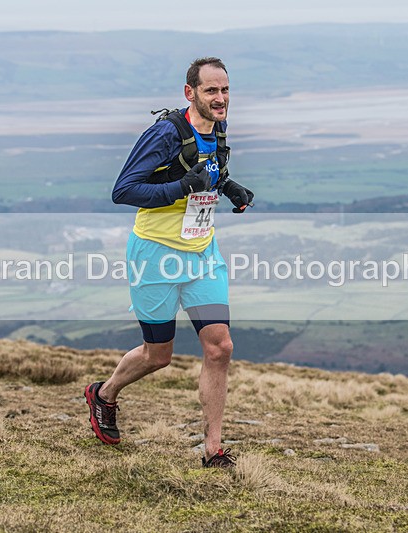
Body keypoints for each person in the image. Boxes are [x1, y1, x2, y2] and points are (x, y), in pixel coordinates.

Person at [85, 57, 254, 468]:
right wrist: (182, 187)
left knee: (220, 347)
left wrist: (228, 187)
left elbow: (205, 170)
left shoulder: (219, 128)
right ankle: (103, 395)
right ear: (189, 92)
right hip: (156, 255)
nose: (220, 98)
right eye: (211, 90)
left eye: (225, 90)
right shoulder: (163, 133)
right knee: (157, 355)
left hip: (202, 255)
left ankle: (213, 449)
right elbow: (123, 191)